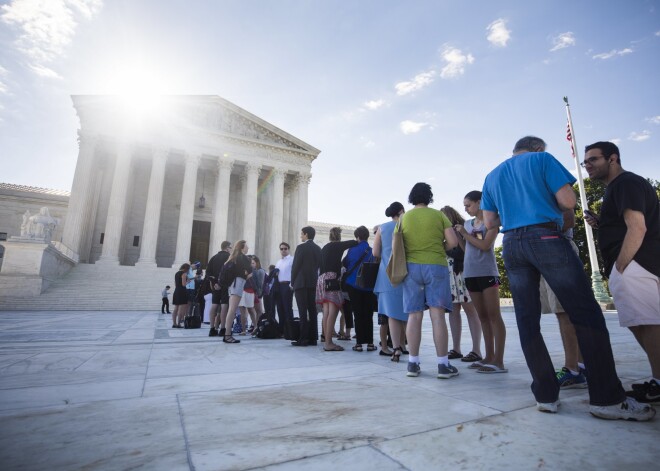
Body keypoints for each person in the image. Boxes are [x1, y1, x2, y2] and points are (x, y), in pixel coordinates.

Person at [480, 135, 654, 420]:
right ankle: (607, 399)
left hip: (511, 243)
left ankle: (546, 395)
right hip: (546, 236)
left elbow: (489, 222)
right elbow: (568, 200)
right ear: (537, 148)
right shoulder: (542, 159)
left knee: (527, 320)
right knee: (586, 314)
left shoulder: (492, 175)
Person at [583, 141, 660, 405]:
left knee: (647, 323)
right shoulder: (620, 187)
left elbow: (637, 227)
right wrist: (602, 223)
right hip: (638, 263)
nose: (588, 166)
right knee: (641, 323)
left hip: (634, 263)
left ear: (613, 158)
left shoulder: (625, 183)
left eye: (593, 159)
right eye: (585, 162)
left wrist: (621, 265)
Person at [399, 183, 459, 378]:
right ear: (429, 197)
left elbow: (397, 243)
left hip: (411, 268)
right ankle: (443, 365)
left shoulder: (404, 218)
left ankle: (413, 364)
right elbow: (453, 242)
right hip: (436, 266)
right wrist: (438, 247)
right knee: (437, 316)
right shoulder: (438, 215)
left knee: (414, 316)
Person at [455, 191, 506, 374]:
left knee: (494, 316)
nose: (466, 209)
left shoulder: (491, 221)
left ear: (478, 202)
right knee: (482, 316)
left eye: (468, 205)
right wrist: (461, 237)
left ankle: (498, 360)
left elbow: (485, 246)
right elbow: (467, 247)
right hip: (471, 273)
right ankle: (488, 356)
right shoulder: (468, 224)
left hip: (487, 272)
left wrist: (465, 234)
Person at [440, 205, 482, 365]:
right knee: (453, 311)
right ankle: (456, 348)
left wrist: (457, 236)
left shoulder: (465, 228)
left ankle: (476, 349)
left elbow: (468, 251)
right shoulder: (444, 233)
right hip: (451, 275)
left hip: (463, 272)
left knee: (471, 311)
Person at [373, 202, 408, 362]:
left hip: (386, 274)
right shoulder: (406, 225)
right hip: (405, 273)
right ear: (401, 211)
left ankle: (396, 348)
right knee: (405, 312)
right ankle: (404, 345)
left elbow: (375, 252)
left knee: (392, 314)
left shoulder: (382, 228)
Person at [317, 227, 358, 351]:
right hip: (331, 279)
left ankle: (326, 339)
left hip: (321, 279)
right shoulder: (339, 245)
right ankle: (329, 343)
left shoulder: (324, 247)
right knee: (333, 311)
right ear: (339, 237)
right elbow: (355, 242)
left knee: (326, 312)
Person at [343, 226, 377, 352]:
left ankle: (358, 344)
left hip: (354, 285)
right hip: (368, 287)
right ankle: (370, 343)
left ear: (357, 237)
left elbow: (345, 263)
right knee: (368, 315)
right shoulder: (372, 251)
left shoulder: (352, 250)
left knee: (357, 313)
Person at [291, 226, 323, 347]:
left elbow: (296, 266)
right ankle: (313, 338)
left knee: (302, 311)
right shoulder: (318, 248)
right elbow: (320, 265)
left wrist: (292, 282)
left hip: (300, 283)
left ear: (306, 234)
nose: (301, 236)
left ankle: (303, 338)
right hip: (313, 283)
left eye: (301, 234)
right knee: (313, 311)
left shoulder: (301, 247)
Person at [222, 240, 252, 344]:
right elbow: (249, 273)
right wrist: (246, 274)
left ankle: (227, 333)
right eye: (247, 246)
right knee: (232, 310)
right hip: (238, 284)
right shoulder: (244, 258)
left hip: (232, 285)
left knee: (231, 310)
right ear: (242, 248)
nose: (248, 248)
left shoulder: (233, 257)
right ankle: (227, 335)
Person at [206, 241, 232, 337]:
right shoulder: (229, 257)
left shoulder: (213, 258)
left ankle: (212, 329)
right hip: (225, 285)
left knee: (214, 305)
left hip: (215, 286)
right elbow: (229, 272)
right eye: (231, 248)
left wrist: (214, 283)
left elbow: (208, 273)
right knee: (224, 306)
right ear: (227, 248)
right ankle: (223, 329)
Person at [274, 241, 295, 338]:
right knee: (280, 308)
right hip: (279, 286)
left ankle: (290, 331)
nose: (283, 250)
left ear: (288, 249)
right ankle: (281, 331)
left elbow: (294, 272)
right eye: (281, 249)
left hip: (287, 285)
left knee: (287, 308)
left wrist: (292, 284)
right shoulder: (279, 262)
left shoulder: (292, 260)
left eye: (285, 248)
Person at [172, 263, 190, 328]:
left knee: (176, 308)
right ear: (186, 268)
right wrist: (188, 281)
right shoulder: (184, 274)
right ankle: (179, 323)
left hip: (176, 291)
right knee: (181, 309)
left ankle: (174, 323)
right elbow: (184, 284)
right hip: (182, 291)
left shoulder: (177, 273)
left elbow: (176, 284)